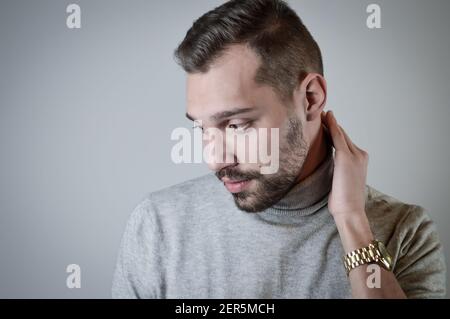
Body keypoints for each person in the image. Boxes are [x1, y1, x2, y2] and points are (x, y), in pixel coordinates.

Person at [112, 0, 446, 298]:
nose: (215, 160)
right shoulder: (158, 226)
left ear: (310, 99)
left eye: (237, 125)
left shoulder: (405, 231)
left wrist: (352, 221)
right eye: (201, 127)